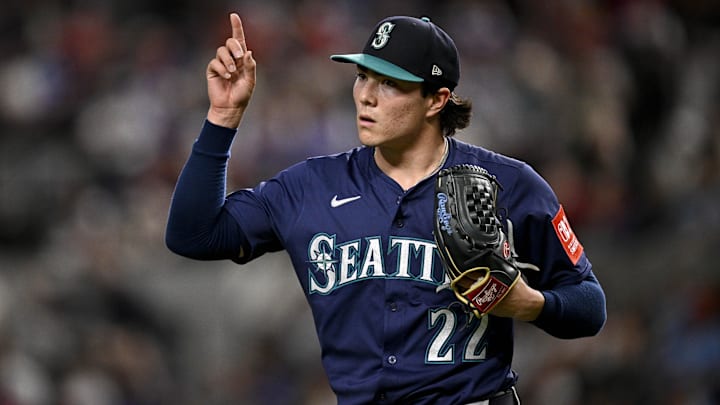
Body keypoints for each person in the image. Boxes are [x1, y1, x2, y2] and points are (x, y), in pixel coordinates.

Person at [165, 12, 607, 405]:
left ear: (436, 99)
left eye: (389, 83)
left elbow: (589, 305)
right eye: (363, 76)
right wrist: (223, 118)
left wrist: (530, 303)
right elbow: (193, 236)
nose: (366, 96)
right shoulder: (311, 186)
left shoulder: (507, 184)